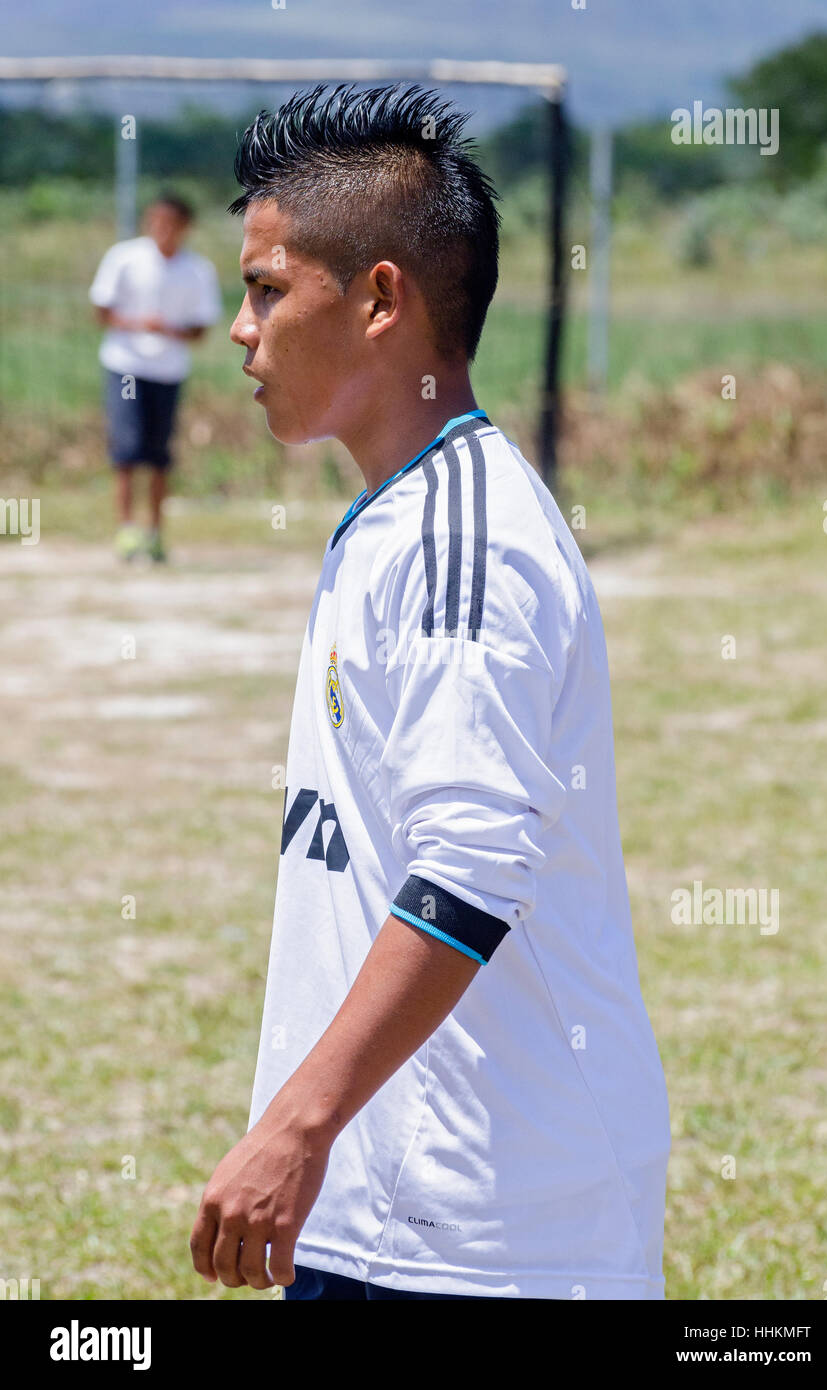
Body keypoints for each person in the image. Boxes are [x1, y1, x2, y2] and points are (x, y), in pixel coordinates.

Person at [189, 84, 672, 1301]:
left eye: (266, 290)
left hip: (488, 1239)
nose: (240, 330)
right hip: (385, 1211)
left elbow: (470, 869)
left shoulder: (469, 540)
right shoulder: (393, 517)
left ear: (380, 299)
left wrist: (296, 1125)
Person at [88, 193, 222, 562]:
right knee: (127, 447)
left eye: (170, 223)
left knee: (160, 453)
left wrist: (168, 330)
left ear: (184, 227)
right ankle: (126, 530)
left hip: (168, 371)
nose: (161, 229)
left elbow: (200, 329)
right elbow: (101, 311)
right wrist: (137, 324)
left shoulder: (198, 270)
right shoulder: (124, 257)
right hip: (126, 366)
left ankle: (156, 532)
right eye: (156, 221)